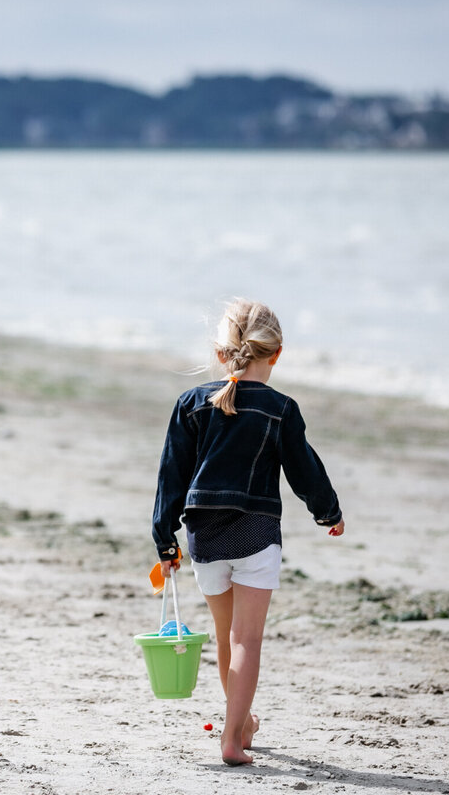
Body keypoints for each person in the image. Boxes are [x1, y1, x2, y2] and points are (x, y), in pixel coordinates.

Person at [151, 299, 345, 766]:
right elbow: (305, 470)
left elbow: (171, 476)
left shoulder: (191, 404)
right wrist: (328, 512)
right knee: (247, 640)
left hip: (205, 535)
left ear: (222, 353)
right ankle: (232, 738)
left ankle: (242, 725)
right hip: (256, 531)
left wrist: (165, 538)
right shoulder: (281, 409)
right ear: (276, 353)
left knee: (225, 638)